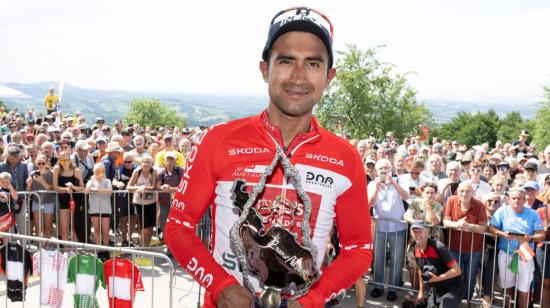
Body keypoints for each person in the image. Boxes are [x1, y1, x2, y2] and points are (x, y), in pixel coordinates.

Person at [165, 7, 372, 308]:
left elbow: (359, 248)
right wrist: (220, 286)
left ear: (329, 77)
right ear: (265, 69)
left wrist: (312, 300)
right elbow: (178, 226)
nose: (298, 77)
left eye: (312, 64)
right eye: (286, 61)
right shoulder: (218, 140)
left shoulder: (346, 157)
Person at [488, 187, 545, 308]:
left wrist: (530, 238)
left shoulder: (533, 213)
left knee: (523, 289)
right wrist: (502, 234)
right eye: (514, 198)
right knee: (507, 287)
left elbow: (542, 234)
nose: (517, 200)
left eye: (520, 198)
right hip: (506, 252)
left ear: (524, 200)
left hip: (525, 253)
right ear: (509, 199)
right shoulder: (502, 211)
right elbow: (491, 227)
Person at [369, 159, 409, 301]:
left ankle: (392, 288)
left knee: (396, 259)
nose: (384, 170)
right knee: (378, 258)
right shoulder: (372, 184)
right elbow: (370, 204)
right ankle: (378, 286)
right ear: (376, 171)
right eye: (381, 168)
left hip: (398, 226)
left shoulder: (399, 181)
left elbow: (406, 196)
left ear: (391, 169)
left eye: (386, 167)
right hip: (380, 226)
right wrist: (377, 188)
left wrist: (393, 183)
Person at [442, 181, 487, 300]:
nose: (464, 193)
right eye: (462, 191)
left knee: (470, 276)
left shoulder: (479, 205)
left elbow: (483, 228)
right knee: (455, 274)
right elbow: (445, 222)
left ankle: (466, 300)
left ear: (473, 192)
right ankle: (454, 299)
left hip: (474, 249)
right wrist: (457, 224)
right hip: (453, 247)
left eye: (468, 191)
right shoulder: (451, 200)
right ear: (457, 191)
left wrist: (470, 226)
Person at [411, 220, 464, 307]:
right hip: (437, 289)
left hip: (453, 287)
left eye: (420, 231)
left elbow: (457, 270)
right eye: (414, 231)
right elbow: (420, 270)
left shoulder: (438, 247)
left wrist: (437, 278)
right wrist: (421, 292)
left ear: (427, 232)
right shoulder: (415, 249)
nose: (417, 234)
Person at [52, 150, 85, 242]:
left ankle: (74, 249)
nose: (65, 162)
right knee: (64, 226)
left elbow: (82, 187)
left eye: (66, 160)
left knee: (75, 226)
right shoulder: (57, 169)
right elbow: (55, 187)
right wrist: (65, 190)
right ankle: (66, 250)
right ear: (59, 160)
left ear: (70, 160)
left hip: (76, 200)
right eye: (62, 160)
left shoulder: (76, 170)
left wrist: (73, 187)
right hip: (63, 199)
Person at [127, 154, 157, 247]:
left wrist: (145, 188)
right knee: (144, 226)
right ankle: (141, 247)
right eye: (144, 162)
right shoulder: (137, 171)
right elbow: (128, 187)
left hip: (151, 201)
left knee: (151, 225)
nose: (146, 164)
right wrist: (138, 187)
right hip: (139, 202)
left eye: (149, 162)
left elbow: (153, 186)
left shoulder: (153, 171)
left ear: (152, 164)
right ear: (141, 163)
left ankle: (147, 247)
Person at [85, 163, 113, 260]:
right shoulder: (90, 181)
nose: (98, 173)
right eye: (96, 171)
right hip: (94, 208)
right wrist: (93, 179)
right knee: (96, 230)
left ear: (103, 171)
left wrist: (96, 190)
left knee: (105, 231)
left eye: (100, 171)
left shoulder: (107, 180)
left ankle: (106, 250)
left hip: (105, 208)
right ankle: (99, 250)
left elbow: (109, 190)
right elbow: (86, 191)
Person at [481, 192, 502, 308]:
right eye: (490, 201)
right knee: (485, 269)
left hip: (498, 247)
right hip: (481, 246)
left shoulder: (502, 215)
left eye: (496, 201)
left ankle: (488, 295)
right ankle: (486, 294)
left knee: (490, 269)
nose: (493, 203)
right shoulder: (481, 213)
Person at [0, 145, 28, 234]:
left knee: (21, 224)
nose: (13, 161)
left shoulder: (23, 166)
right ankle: (9, 246)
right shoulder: (1, 166)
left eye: (15, 158)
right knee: (9, 224)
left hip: (20, 199)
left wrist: (26, 196)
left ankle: (23, 246)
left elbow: (25, 181)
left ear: (19, 156)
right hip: (6, 199)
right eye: (11, 159)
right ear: (7, 156)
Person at [26, 154, 55, 239]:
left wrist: (42, 181)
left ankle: (47, 246)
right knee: (38, 226)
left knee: (48, 226)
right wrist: (28, 184)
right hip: (36, 201)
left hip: (48, 202)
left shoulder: (51, 173)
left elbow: (51, 188)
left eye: (43, 163)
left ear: (47, 163)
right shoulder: (32, 174)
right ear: (36, 164)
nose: (41, 165)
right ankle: (39, 246)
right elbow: (28, 192)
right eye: (39, 163)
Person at [156, 151, 182, 241]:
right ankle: (165, 237)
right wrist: (162, 187)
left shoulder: (180, 171)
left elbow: (183, 186)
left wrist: (172, 189)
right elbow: (158, 186)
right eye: (168, 159)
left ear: (175, 161)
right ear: (165, 160)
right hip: (165, 202)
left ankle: (175, 240)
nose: (169, 161)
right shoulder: (161, 172)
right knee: (163, 220)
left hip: (177, 203)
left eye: (172, 159)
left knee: (176, 222)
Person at [113, 152, 138, 247]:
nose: (126, 163)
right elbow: (114, 180)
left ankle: (129, 237)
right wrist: (117, 183)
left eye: (129, 162)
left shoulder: (137, 169)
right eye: (125, 162)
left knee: (133, 218)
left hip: (135, 197)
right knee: (123, 219)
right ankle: (124, 240)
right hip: (123, 197)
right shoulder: (120, 169)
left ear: (133, 161)